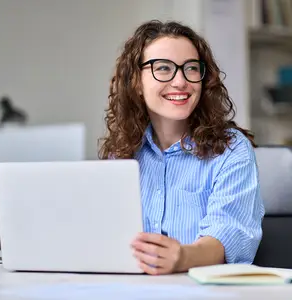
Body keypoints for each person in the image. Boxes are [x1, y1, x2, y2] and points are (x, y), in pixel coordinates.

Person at [98, 20, 264, 275]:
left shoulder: (232, 150)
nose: (180, 81)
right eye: (163, 68)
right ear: (136, 83)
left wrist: (183, 256)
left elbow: (229, 236)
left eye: (191, 68)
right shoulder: (121, 155)